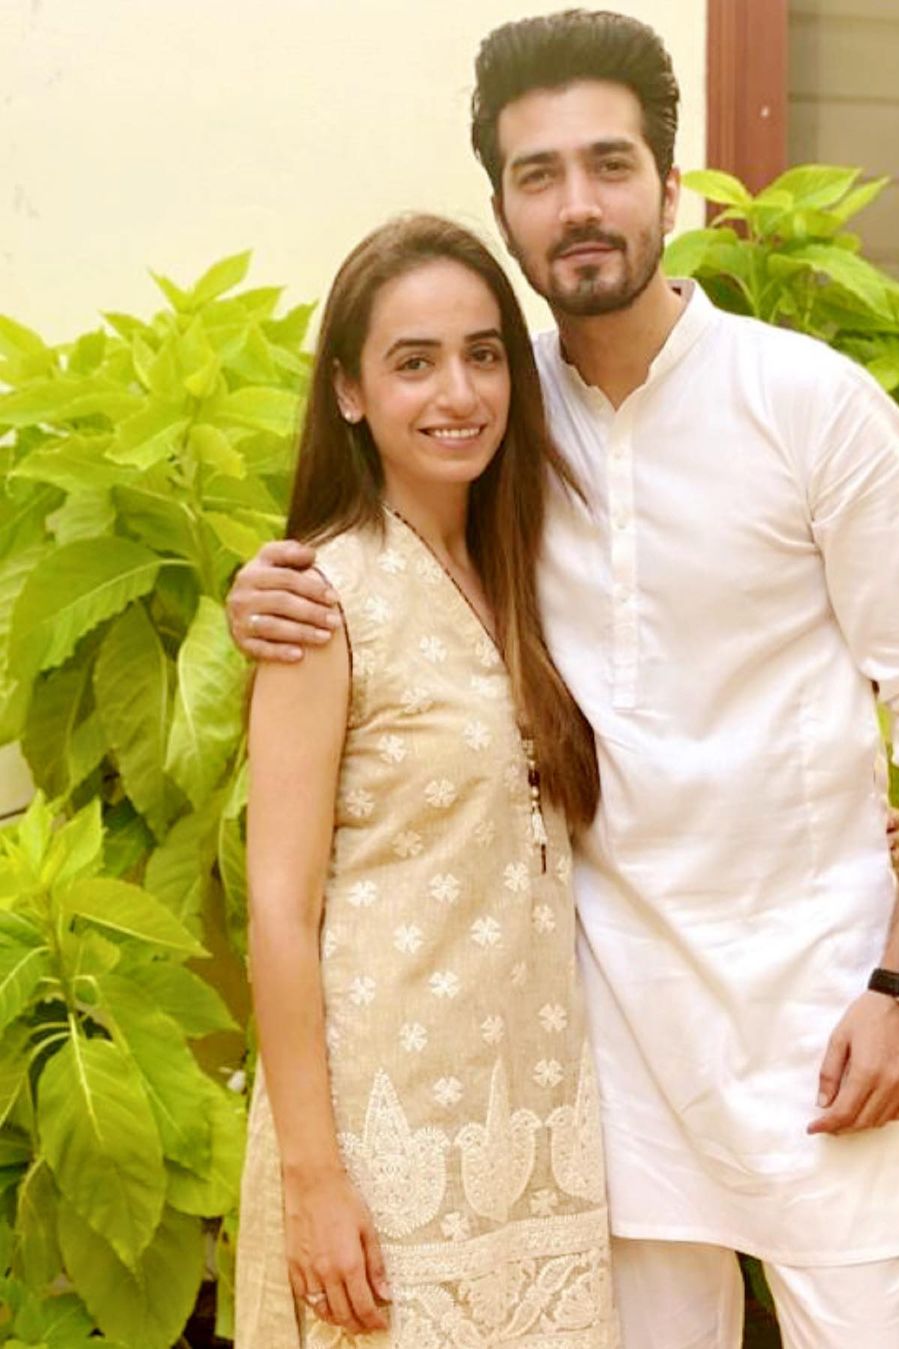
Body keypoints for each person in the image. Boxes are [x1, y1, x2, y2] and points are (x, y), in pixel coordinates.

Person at [228, 12, 899, 1346]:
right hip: (609, 1046)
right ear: (504, 209)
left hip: (825, 1021)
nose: (577, 204)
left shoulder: (807, 406)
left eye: (608, 163)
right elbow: (381, 554)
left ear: (670, 185)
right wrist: (263, 588)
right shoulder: (498, 412)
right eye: (539, 175)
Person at [235, 213, 617, 1348]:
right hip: (382, 1142)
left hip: (538, 1130)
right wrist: (316, 1176)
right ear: (349, 389)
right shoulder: (324, 597)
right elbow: (276, 908)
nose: (461, 390)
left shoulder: (541, 571)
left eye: (485, 351)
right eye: (415, 361)